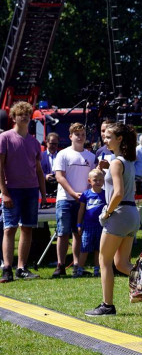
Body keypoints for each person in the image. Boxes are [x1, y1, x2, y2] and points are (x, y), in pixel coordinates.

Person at [86, 123, 141, 316]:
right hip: (132, 214)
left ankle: (107, 305)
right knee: (122, 264)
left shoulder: (117, 162)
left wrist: (107, 212)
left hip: (119, 213)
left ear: (119, 139)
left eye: (109, 137)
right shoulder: (126, 161)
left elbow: (117, 193)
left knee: (104, 260)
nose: (105, 139)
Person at [0, 102, 46, 282]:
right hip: (12, 190)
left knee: (27, 228)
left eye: (27, 114)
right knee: (9, 229)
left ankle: (22, 268)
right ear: (13, 117)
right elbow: (0, 168)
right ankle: (7, 269)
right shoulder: (5, 138)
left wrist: (42, 193)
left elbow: (39, 170)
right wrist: (4, 192)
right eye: (21, 114)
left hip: (31, 190)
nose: (25, 117)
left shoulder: (34, 142)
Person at [52, 122, 97, 278]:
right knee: (63, 233)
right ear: (70, 136)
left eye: (83, 134)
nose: (80, 137)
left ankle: (77, 265)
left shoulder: (91, 157)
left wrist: (86, 195)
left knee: (78, 233)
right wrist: (72, 193)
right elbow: (59, 177)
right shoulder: (63, 154)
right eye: (77, 134)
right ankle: (60, 265)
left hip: (83, 201)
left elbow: (94, 179)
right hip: (65, 199)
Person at [77, 169, 106, 276]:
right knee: (84, 248)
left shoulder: (105, 194)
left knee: (99, 249)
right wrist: (79, 224)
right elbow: (81, 210)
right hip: (88, 226)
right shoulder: (86, 194)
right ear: (89, 181)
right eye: (95, 180)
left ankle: (97, 270)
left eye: (100, 180)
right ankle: (79, 269)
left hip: (101, 226)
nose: (98, 182)